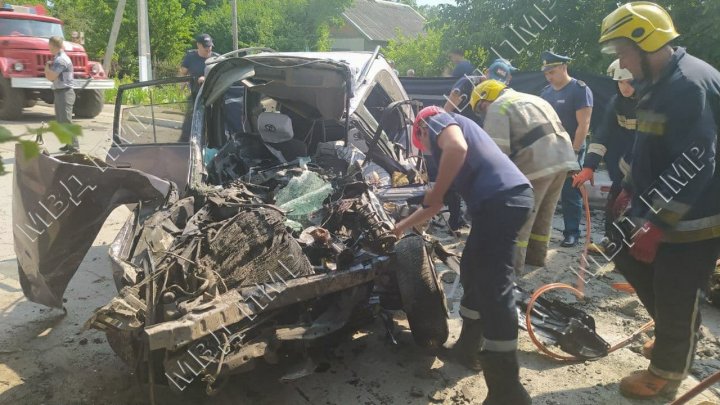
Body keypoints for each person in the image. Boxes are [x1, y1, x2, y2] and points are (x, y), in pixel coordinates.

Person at [598, 2, 720, 400]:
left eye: (622, 53)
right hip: (669, 199)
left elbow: (697, 163)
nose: (623, 64)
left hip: (700, 210)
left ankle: (667, 373)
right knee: (621, 246)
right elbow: (650, 147)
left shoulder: (685, 85)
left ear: (644, 42)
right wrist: (631, 192)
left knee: (674, 283)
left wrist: (657, 223)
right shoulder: (661, 81)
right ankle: (675, 329)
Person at [393, 106, 533, 405]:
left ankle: (508, 389)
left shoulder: (435, 119)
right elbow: (433, 205)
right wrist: (399, 228)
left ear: (420, 129)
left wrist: (438, 190)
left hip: (503, 201)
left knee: (495, 288)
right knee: (471, 270)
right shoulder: (451, 155)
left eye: (425, 146)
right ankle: (468, 349)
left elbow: (456, 147)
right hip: (498, 204)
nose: (429, 151)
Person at [471, 79, 578, 273]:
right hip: (563, 158)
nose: (482, 114)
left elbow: (495, 153)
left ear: (485, 99)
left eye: (480, 109)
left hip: (536, 163)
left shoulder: (498, 108)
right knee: (545, 212)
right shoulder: (534, 98)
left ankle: (512, 267)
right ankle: (536, 257)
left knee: (520, 217)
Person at [572, 60, 637, 254]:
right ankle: (611, 242)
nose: (625, 87)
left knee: (641, 211)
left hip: (652, 168)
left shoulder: (653, 103)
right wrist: (589, 166)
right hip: (627, 168)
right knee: (614, 204)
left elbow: (652, 144)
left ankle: (633, 253)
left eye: (629, 82)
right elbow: (602, 135)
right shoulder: (617, 103)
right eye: (620, 82)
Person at [540, 51, 594, 247]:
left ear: (564, 67)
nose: (549, 77)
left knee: (570, 191)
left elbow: (584, 124)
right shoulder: (546, 92)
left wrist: (574, 152)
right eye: (546, 74)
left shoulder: (579, 90)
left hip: (573, 146)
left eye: (552, 72)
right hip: (551, 147)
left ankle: (572, 232)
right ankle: (541, 231)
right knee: (545, 190)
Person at [179, 33, 219, 140]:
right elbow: (183, 72)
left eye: (210, 46)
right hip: (195, 98)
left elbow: (221, 77)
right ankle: (185, 146)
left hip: (213, 99)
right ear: (198, 45)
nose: (208, 48)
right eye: (205, 46)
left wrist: (206, 79)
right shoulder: (190, 57)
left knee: (211, 128)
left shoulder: (217, 59)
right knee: (189, 126)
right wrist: (181, 86)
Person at [44, 35, 77, 152]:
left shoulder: (61, 60)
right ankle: (68, 145)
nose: (49, 48)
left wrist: (46, 66)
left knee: (66, 121)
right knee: (61, 120)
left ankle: (74, 147)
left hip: (65, 93)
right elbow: (51, 76)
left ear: (53, 46)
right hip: (60, 92)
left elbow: (51, 76)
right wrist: (48, 70)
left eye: (49, 46)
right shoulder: (58, 58)